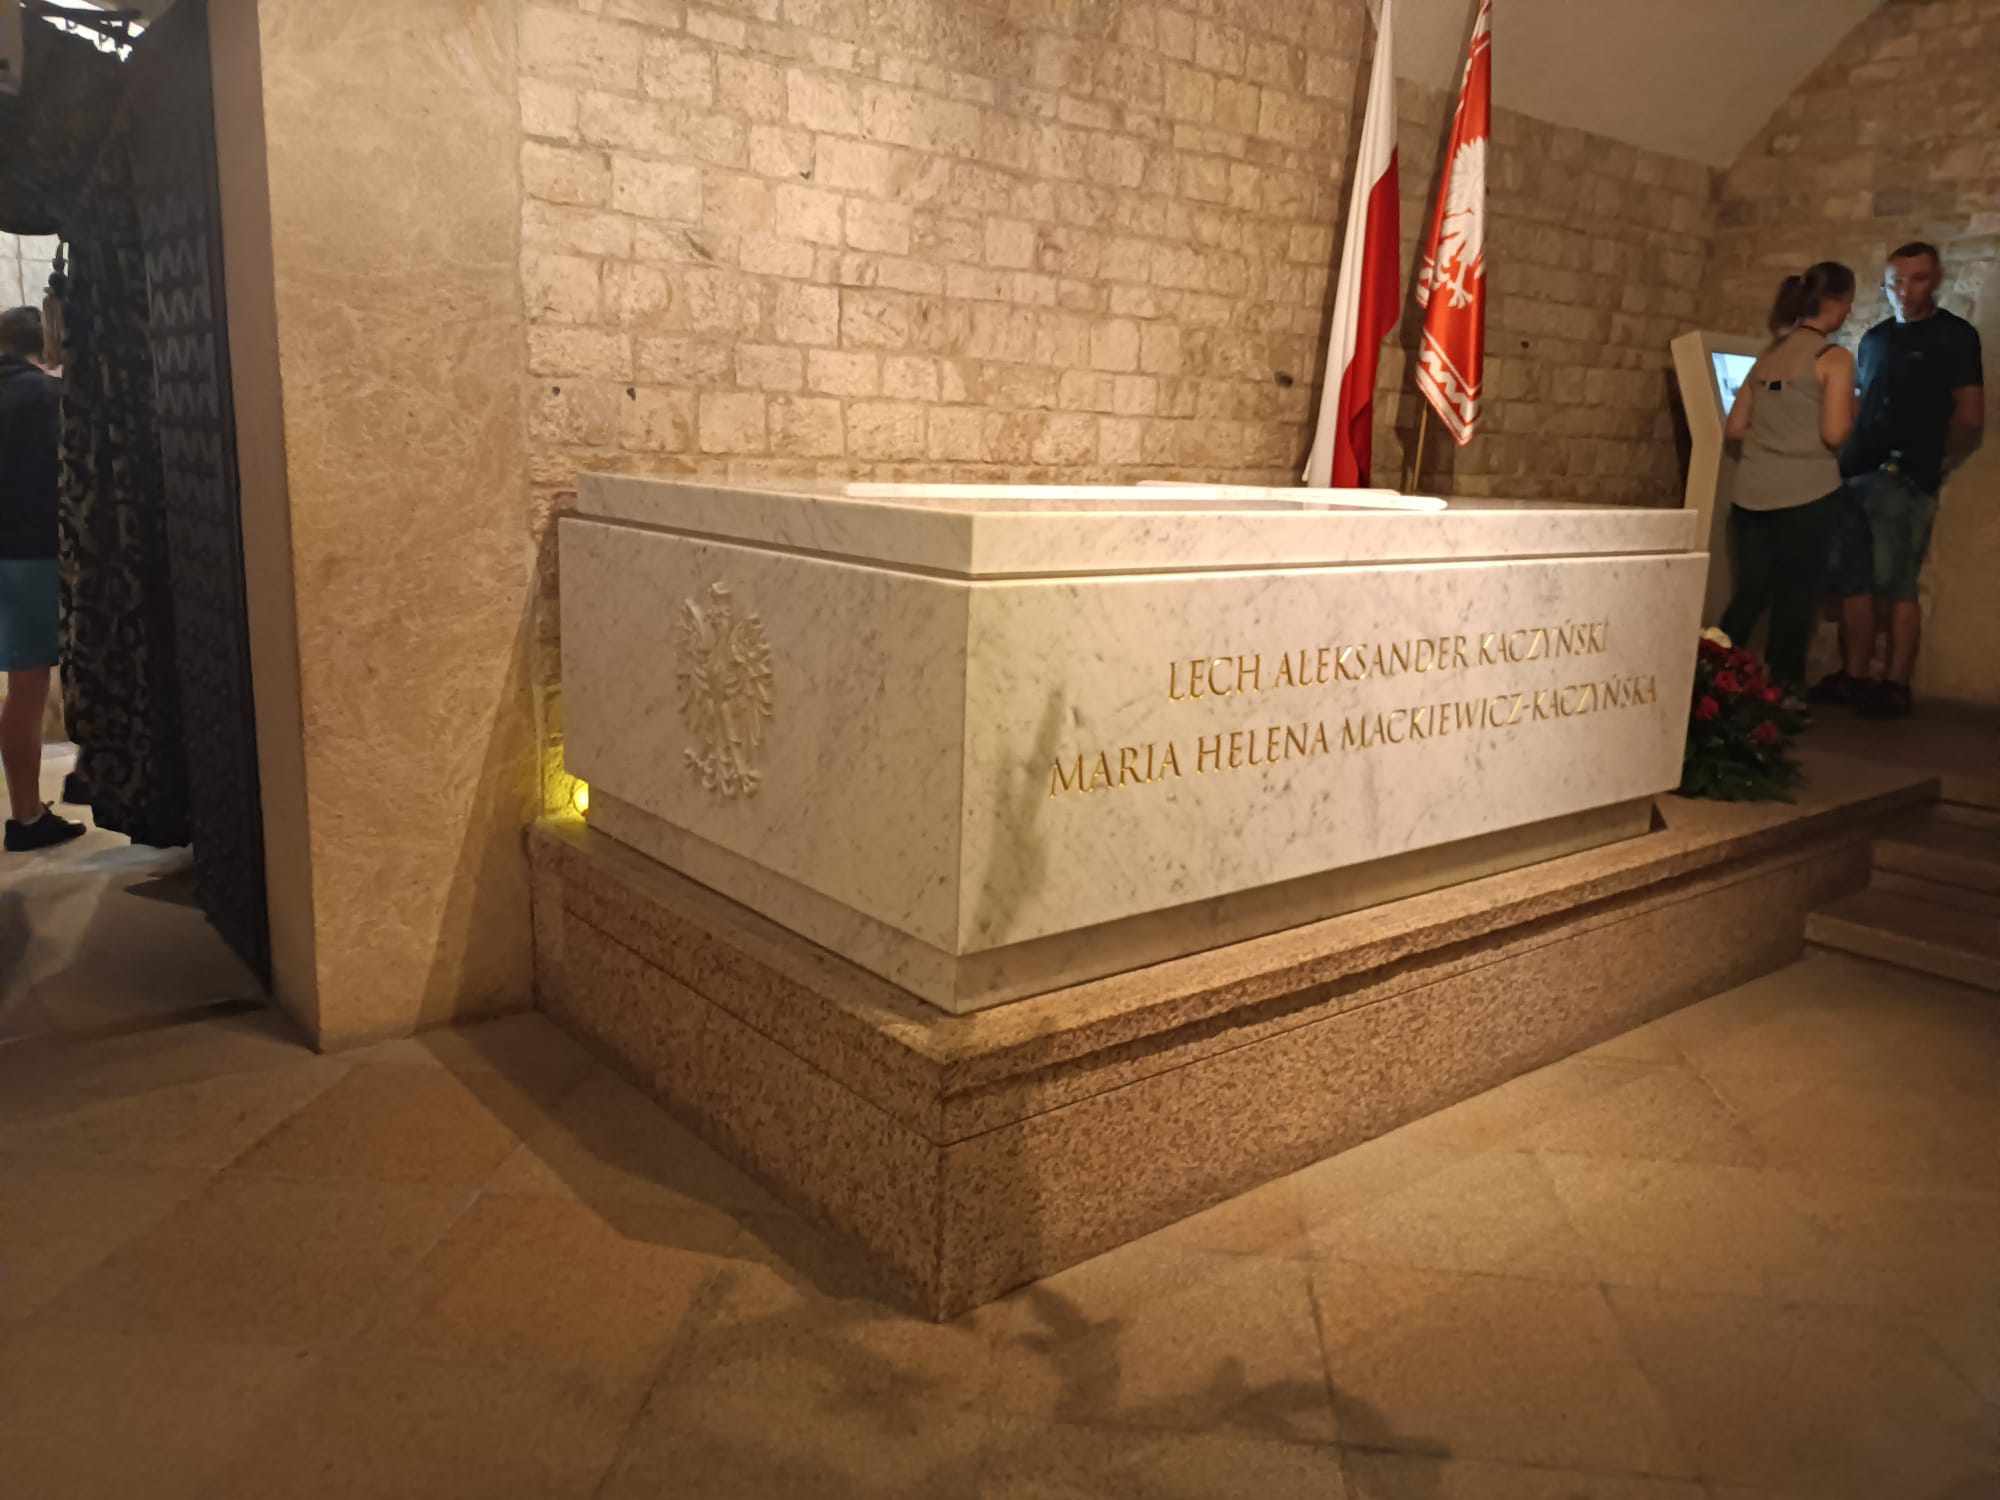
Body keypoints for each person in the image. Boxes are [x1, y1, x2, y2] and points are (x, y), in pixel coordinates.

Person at [1811, 241, 1985, 718]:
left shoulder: (1955, 336)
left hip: (1906, 477)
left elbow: (1971, 416)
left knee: (1898, 582)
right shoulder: (1874, 338)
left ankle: (1895, 683)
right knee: (1855, 581)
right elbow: (1862, 406)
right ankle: (1855, 675)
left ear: (1937, 279)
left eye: (1917, 279)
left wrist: (1933, 465)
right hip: (1857, 474)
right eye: (1895, 282)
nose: (1905, 291)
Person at [1717, 262, 1856, 692]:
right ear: (1836, 303)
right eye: (1848, 303)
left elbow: (1735, 427)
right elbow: (1834, 433)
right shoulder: (1833, 358)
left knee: (1749, 596)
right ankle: (1782, 697)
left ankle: (1708, 682)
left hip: (1752, 494)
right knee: (1795, 602)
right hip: (1808, 495)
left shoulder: (1769, 355)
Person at [0, 304, 84, 851]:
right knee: (28, 688)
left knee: (21, 687)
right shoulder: (47, 396)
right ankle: (27, 817)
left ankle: (29, 811)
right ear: (45, 344)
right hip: (30, 553)